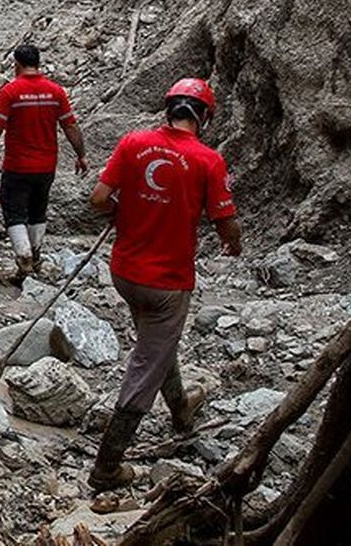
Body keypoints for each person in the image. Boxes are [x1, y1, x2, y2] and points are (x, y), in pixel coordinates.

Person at [86, 77, 242, 492]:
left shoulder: (133, 143)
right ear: (204, 116)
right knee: (146, 361)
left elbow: (100, 198)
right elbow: (225, 220)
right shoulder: (208, 160)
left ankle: (181, 413)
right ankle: (106, 466)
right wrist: (234, 244)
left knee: (157, 344)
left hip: (124, 273)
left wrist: (124, 213)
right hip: (168, 281)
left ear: (168, 107)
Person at [0, 45, 89, 277]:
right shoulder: (55, 91)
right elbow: (70, 125)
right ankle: (35, 253)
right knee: (38, 209)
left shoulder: (10, 92)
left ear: (16, 64)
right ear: (37, 63)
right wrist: (81, 155)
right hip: (47, 166)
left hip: (18, 165)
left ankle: (24, 256)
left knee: (14, 210)